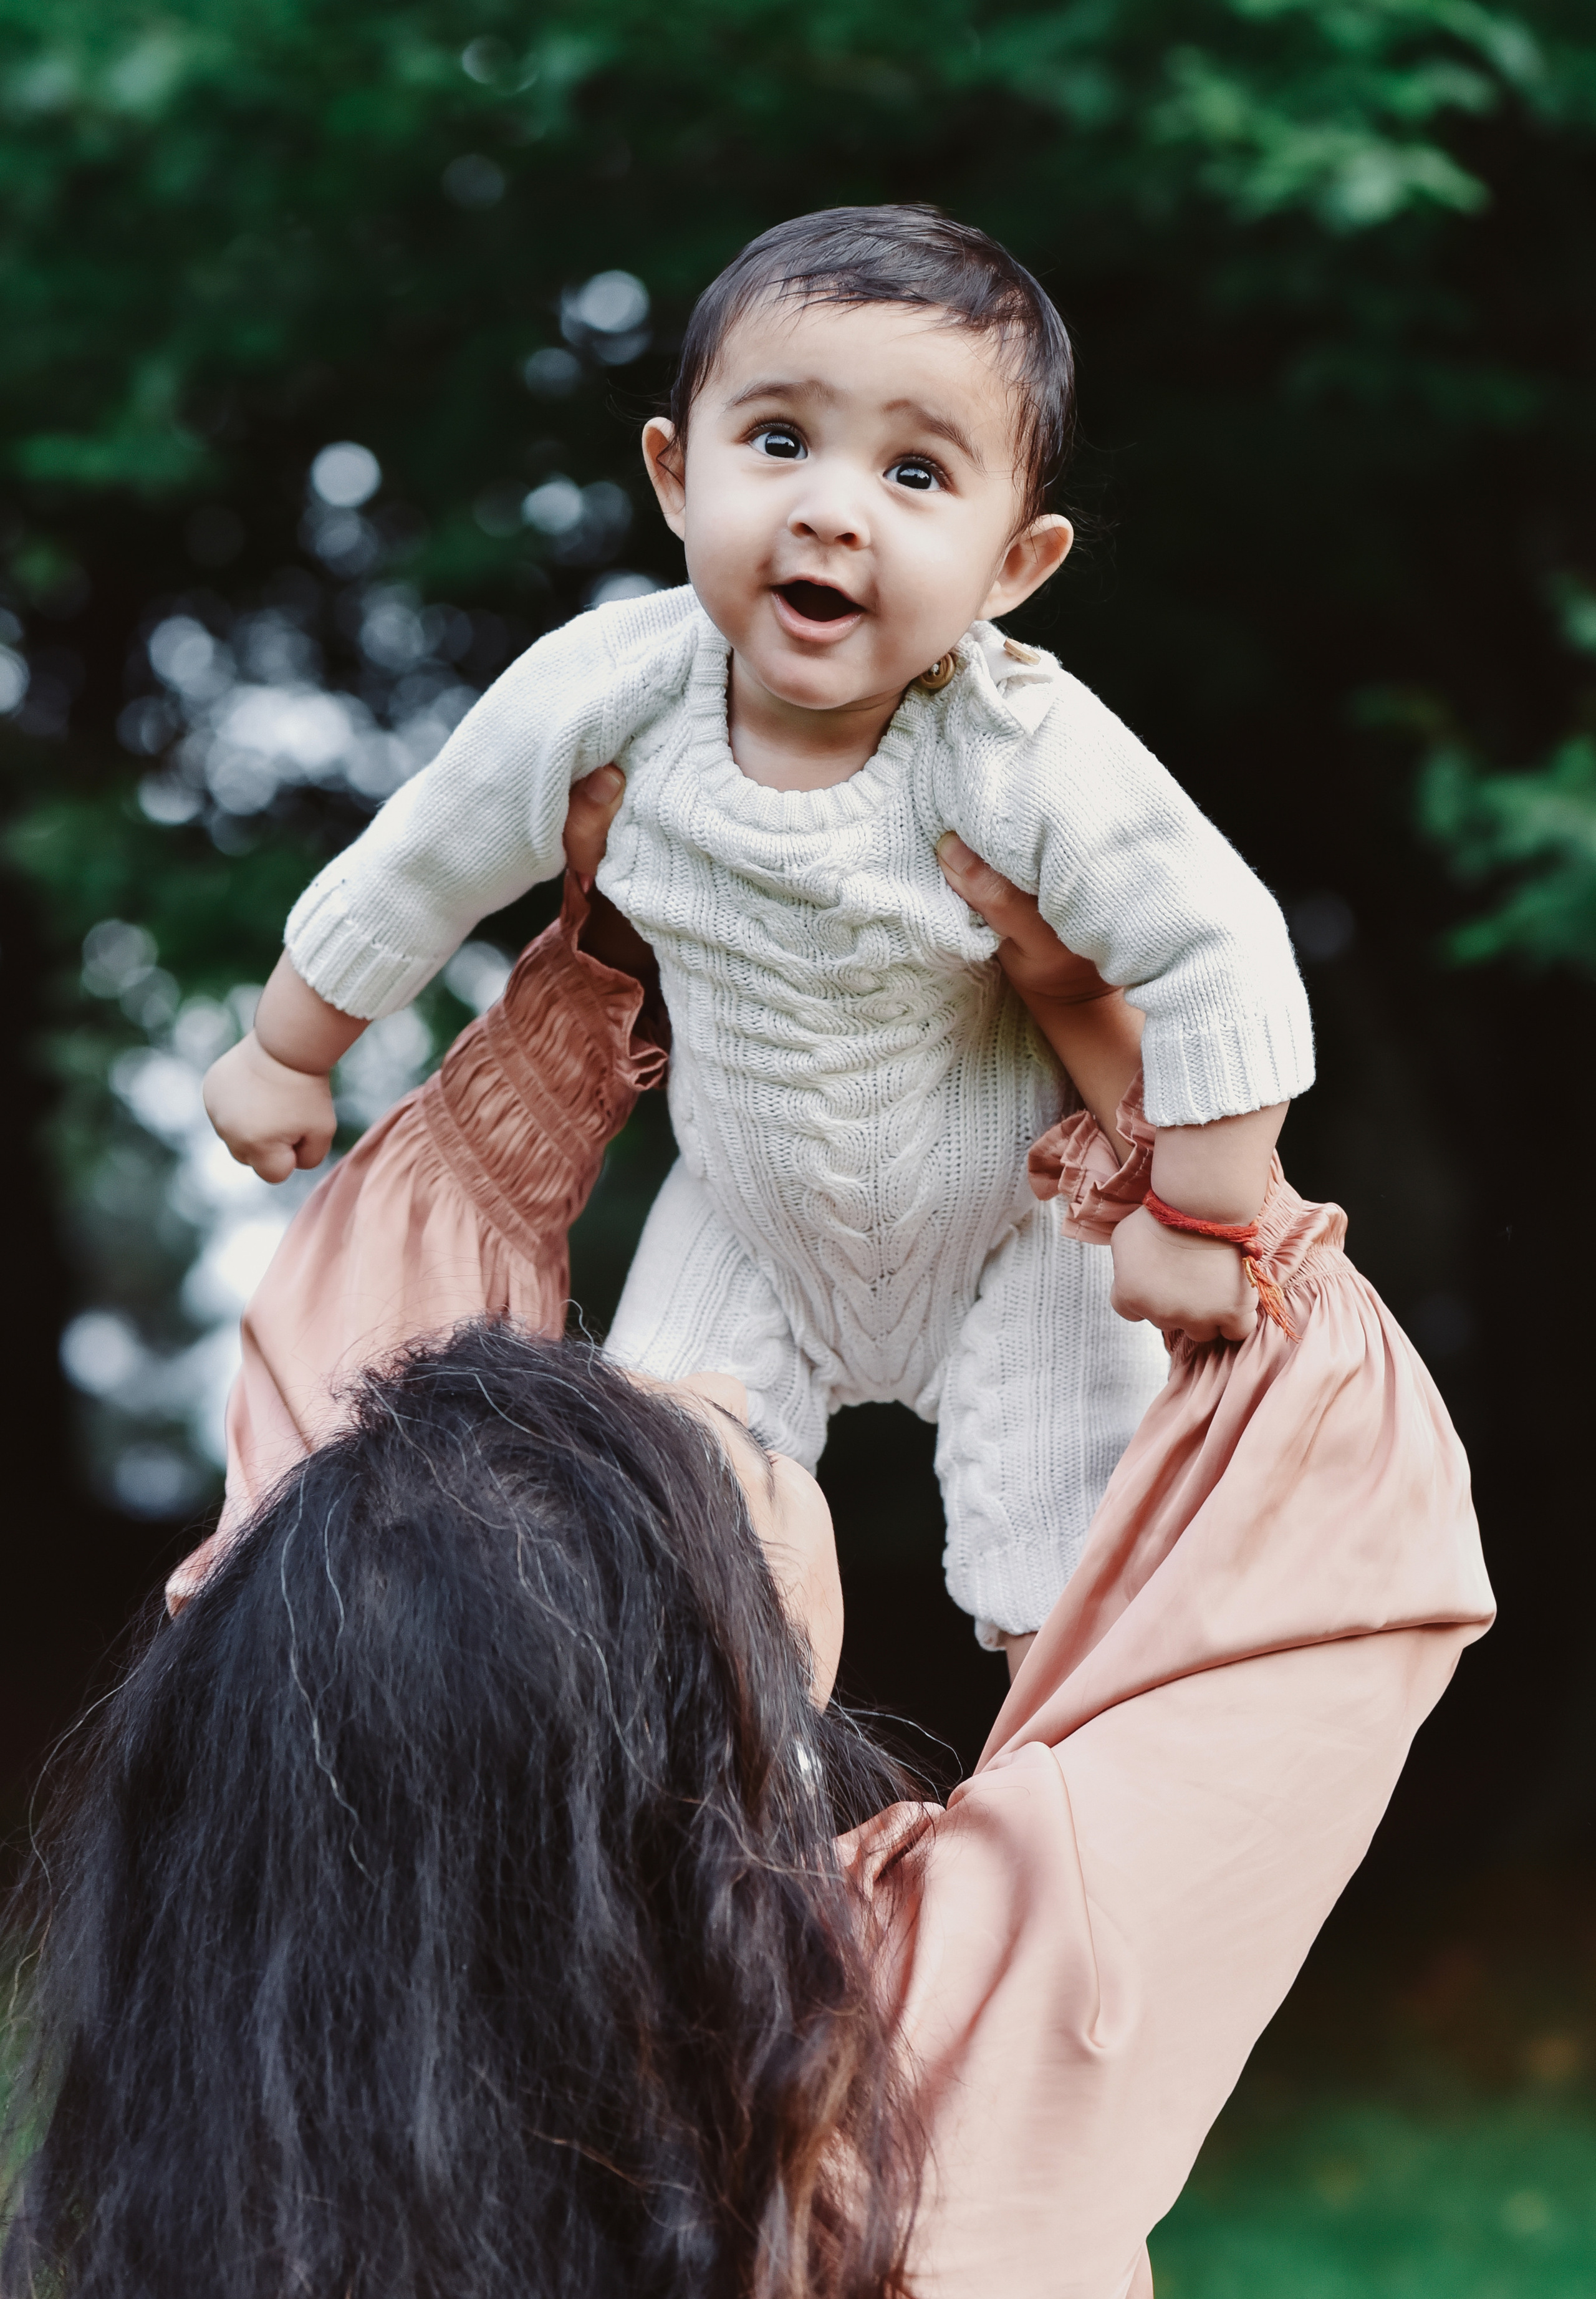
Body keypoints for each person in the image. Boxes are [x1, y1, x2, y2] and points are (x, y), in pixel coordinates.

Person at [2, 860, 1493, 2299]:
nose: (718, 1380)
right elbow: (1329, 1555)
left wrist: (601, 966)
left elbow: (359, 1535)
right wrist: (1134, 1083)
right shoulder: (888, 2114)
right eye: (738, 1454)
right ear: (715, 1715)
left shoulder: (210, 2115)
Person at [199, 203, 1317, 1652]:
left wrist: (1199, 1216)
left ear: (1012, 566)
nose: (832, 510)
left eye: (914, 472)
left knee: (1081, 1575)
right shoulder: (611, 687)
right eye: (780, 440)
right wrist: (288, 1050)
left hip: (1014, 1225)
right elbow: (427, 854)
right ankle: (734, 1770)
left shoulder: (1018, 748)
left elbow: (1221, 949)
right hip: (742, 1222)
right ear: (676, 476)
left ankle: (1065, 1763)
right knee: (657, 1543)